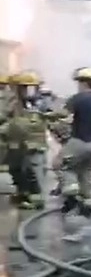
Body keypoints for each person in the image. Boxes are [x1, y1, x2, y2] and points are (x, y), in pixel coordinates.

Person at [54, 67, 91, 219]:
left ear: (85, 83)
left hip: (81, 140)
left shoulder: (79, 97)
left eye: (80, 82)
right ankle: (88, 204)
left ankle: (72, 195)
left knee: (61, 164)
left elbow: (63, 114)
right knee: (87, 172)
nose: (78, 85)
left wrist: (50, 115)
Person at [0, 72, 50, 210]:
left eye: (31, 87)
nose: (28, 90)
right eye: (24, 87)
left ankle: (37, 199)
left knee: (33, 171)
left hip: (34, 143)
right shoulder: (13, 102)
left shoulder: (43, 102)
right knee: (16, 169)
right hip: (16, 143)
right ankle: (23, 193)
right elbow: (4, 116)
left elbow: (52, 118)